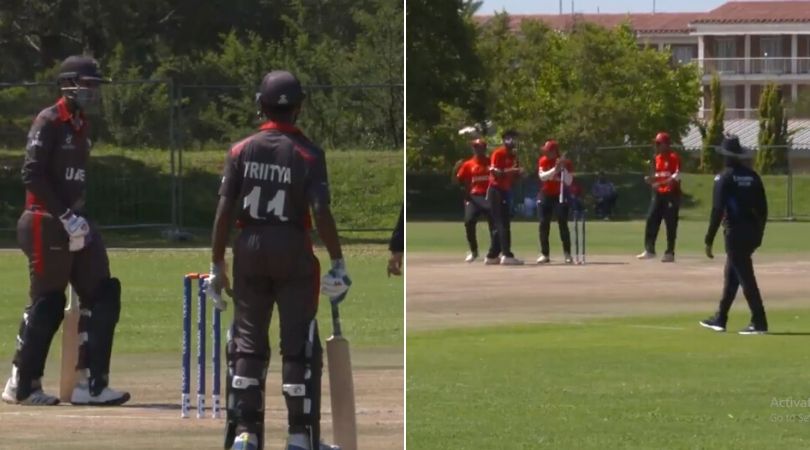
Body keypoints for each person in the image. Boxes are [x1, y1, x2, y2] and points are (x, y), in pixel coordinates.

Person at [206, 71, 347, 450]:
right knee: (297, 341)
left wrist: (217, 264)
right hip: (291, 245)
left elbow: (223, 212)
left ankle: (245, 435)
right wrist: (337, 261)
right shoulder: (309, 153)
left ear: (260, 104)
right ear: (299, 107)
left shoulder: (240, 150)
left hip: (249, 244)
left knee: (248, 342)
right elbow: (321, 210)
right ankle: (300, 436)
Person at [2, 56, 129, 407]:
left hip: (75, 218)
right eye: (85, 85)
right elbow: (32, 175)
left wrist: (78, 217)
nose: (91, 91)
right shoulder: (48, 120)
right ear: (67, 85)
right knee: (49, 302)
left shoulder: (82, 125)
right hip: (44, 219)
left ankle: (90, 384)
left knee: (103, 293)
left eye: (95, 86)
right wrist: (63, 215)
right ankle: (22, 383)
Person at [700, 135, 769, 335]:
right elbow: (763, 209)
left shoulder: (724, 178)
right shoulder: (753, 176)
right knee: (732, 275)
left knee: (745, 276)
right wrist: (759, 234)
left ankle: (760, 321)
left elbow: (717, 210)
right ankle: (720, 318)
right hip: (752, 232)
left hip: (734, 232)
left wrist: (709, 239)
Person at [637, 131, 681, 263]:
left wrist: (660, 182)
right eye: (656, 143)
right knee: (651, 219)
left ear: (666, 144)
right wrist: (651, 181)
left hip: (671, 194)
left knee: (670, 223)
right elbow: (657, 175)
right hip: (658, 194)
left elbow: (676, 177)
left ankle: (669, 252)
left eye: (659, 143)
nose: (656, 146)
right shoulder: (656, 158)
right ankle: (649, 249)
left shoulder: (674, 157)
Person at [455, 138, 499, 263]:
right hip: (474, 197)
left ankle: (494, 252)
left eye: (479, 147)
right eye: (475, 147)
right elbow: (460, 181)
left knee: (494, 224)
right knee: (469, 221)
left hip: (489, 195)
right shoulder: (468, 164)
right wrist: (466, 195)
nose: (477, 149)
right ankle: (473, 251)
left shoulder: (491, 162)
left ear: (484, 148)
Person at [487, 130, 524, 265]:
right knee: (503, 223)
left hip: (506, 191)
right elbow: (495, 173)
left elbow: (512, 178)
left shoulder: (513, 156)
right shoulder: (498, 153)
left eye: (515, 139)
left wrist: (518, 174)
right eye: (511, 138)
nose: (514, 141)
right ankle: (507, 254)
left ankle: (492, 255)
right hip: (496, 190)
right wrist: (511, 171)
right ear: (505, 140)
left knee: (501, 223)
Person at [536, 140, 574, 264]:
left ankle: (567, 254)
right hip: (545, 194)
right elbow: (542, 177)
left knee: (562, 223)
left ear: (554, 152)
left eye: (548, 151)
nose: (545, 153)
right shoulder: (543, 160)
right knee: (543, 223)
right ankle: (544, 253)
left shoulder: (566, 163)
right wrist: (555, 169)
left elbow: (568, 181)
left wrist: (563, 169)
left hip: (560, 195)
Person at [388, 207, 403, 276]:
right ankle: (393, 262)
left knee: (398, 252)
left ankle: (393, 262)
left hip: (397, 234)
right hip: (399, 235)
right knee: (399, 251)